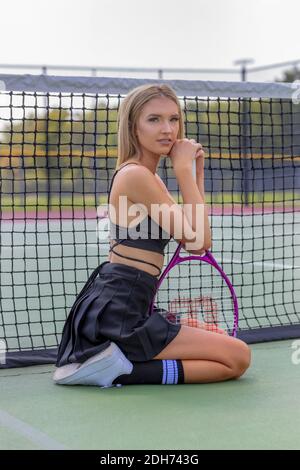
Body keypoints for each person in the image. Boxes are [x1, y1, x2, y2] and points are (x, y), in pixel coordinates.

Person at [53, 84, 251, 388]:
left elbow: (196, 236)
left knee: (218, 336)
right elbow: (199, 244)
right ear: (133, 127)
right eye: (154, 119)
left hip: (132, 303)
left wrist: (194, 173)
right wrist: (184, 169)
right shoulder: (136, 176)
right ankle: (120, 370)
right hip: (120, 310)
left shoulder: (149, 175)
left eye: (173, 119)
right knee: (237, 357)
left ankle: (113, 360)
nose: (167, 129)